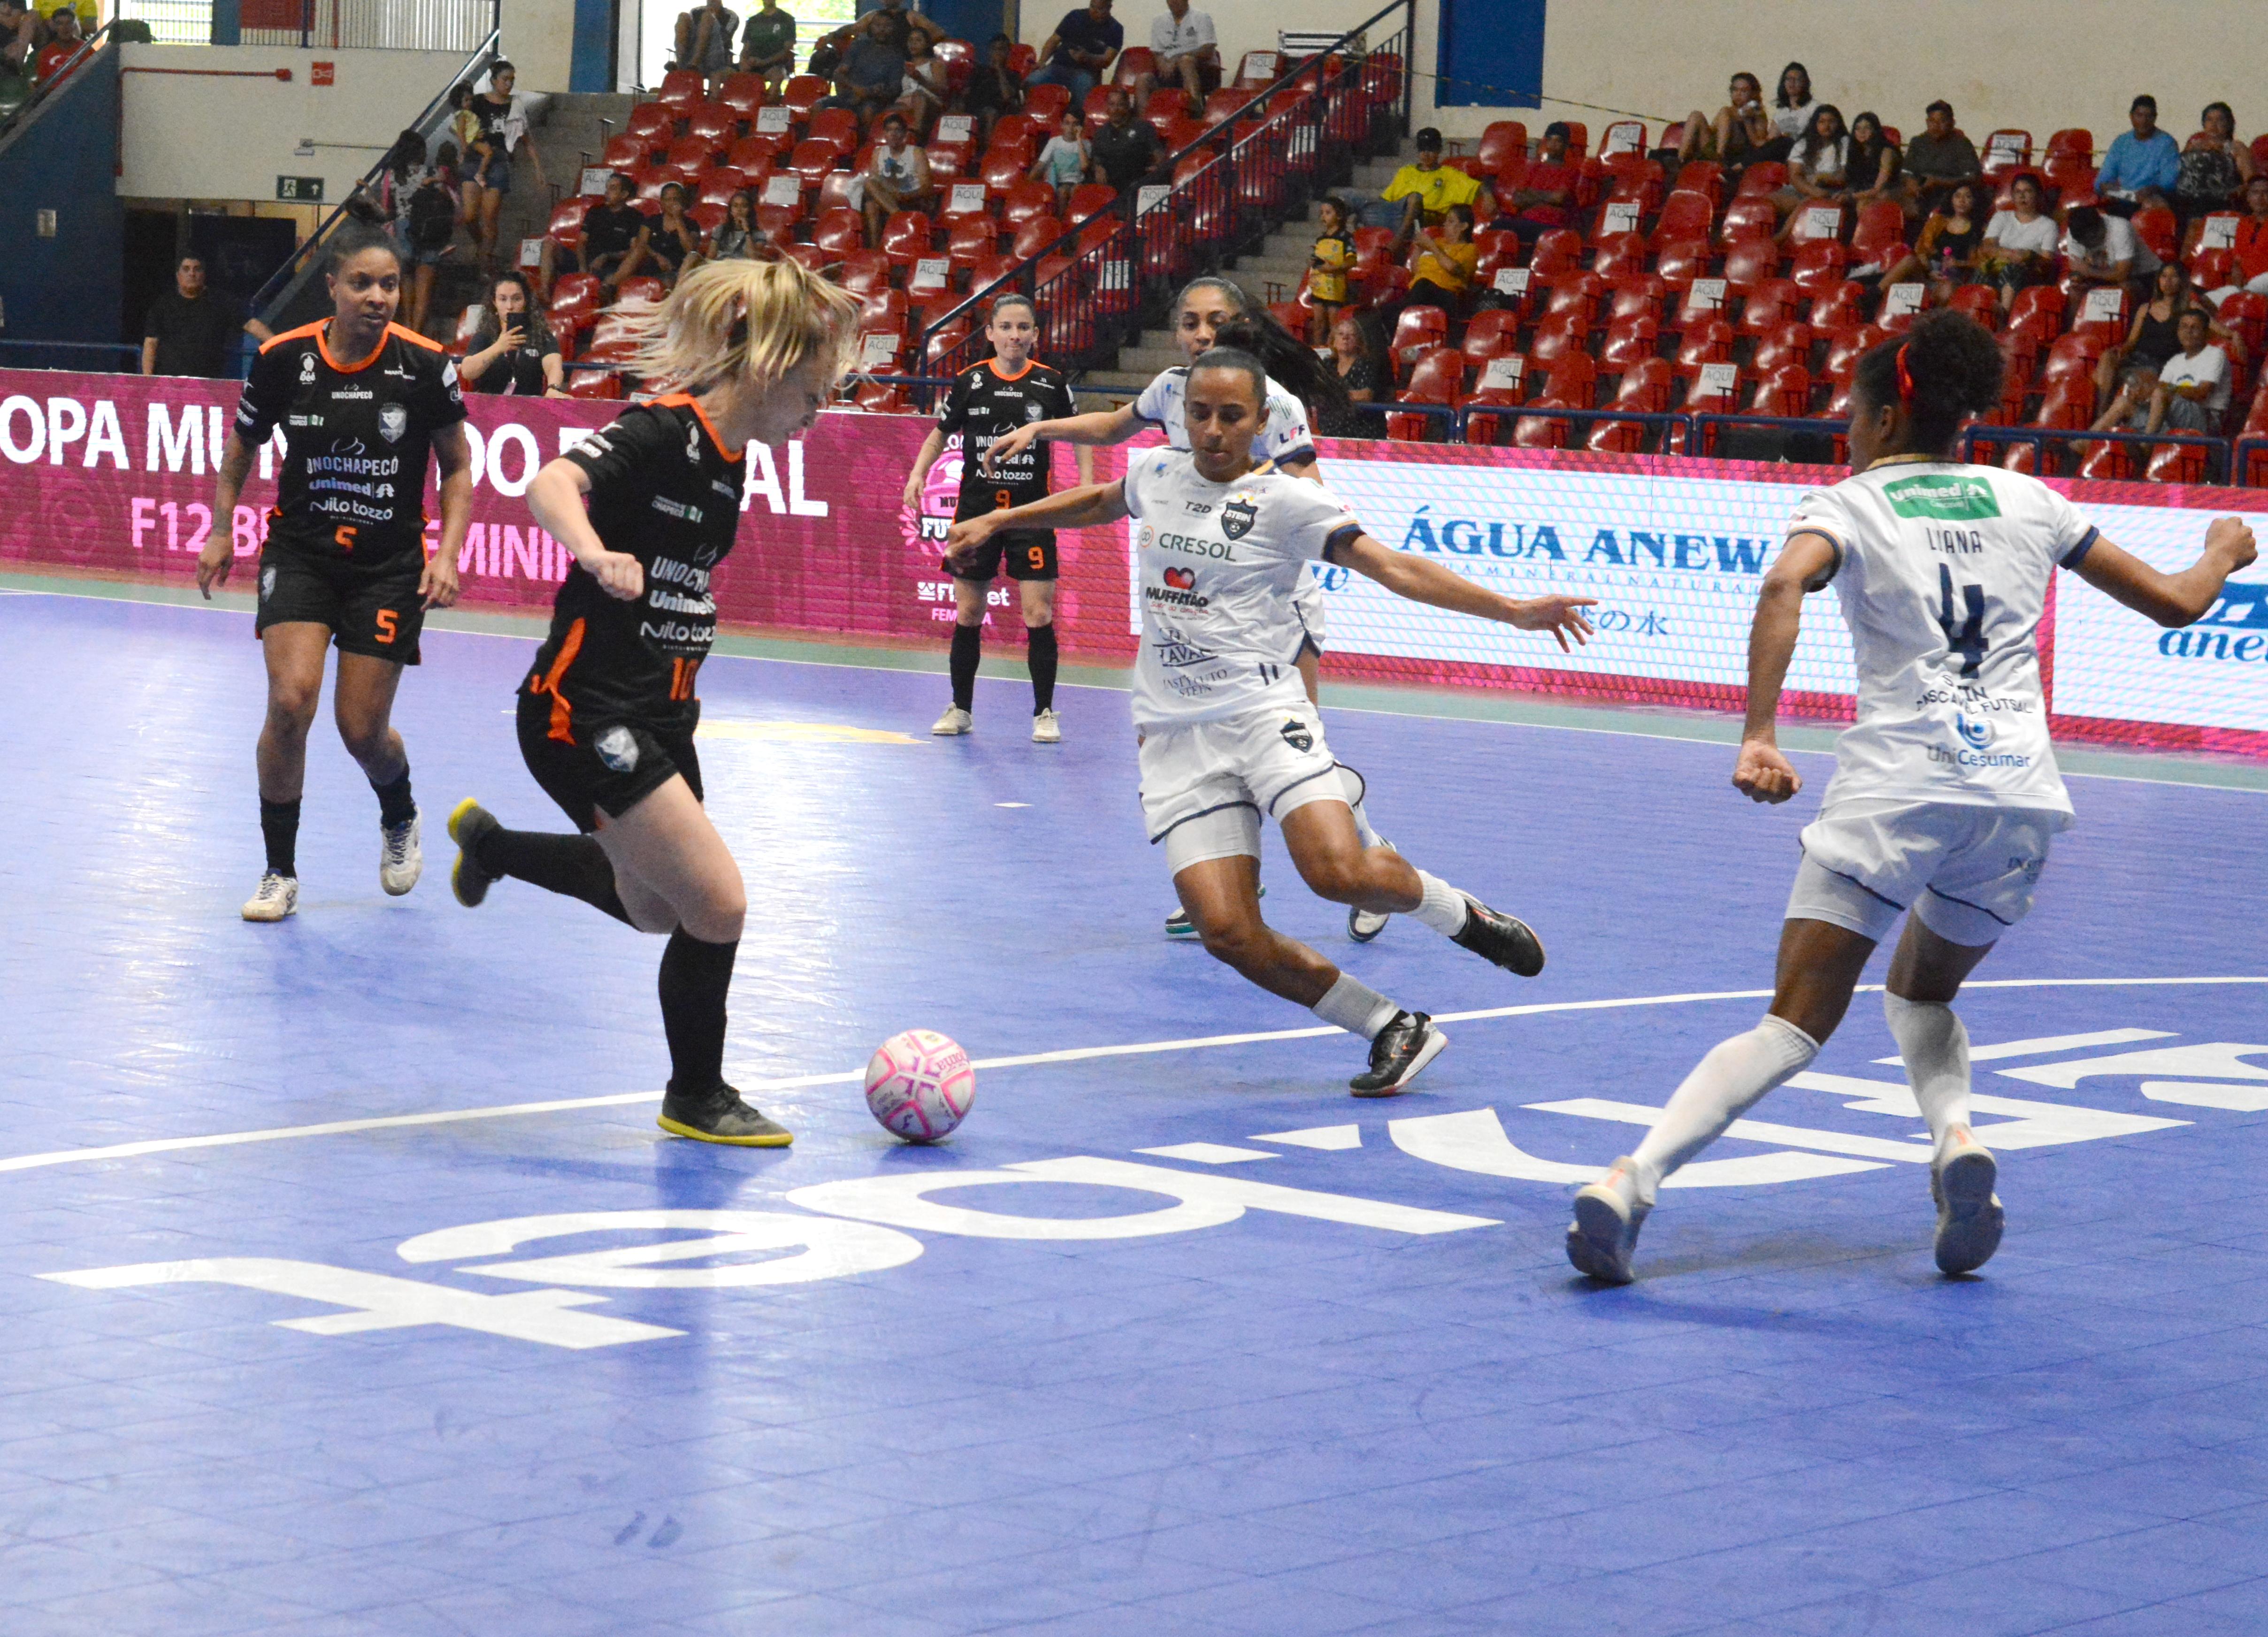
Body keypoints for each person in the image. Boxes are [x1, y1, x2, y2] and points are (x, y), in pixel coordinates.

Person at [1564, 310, 2258, 1287]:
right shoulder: (2030, 499)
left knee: (1793, 1021)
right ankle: (1955, 1137)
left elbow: (1780, 589)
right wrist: (2225, 548)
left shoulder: (1847, 505)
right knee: (1923, 991)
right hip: (2017, 796)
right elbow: (2179, 602)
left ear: (1888, 416)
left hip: (1899, 784)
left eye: (1853, 411)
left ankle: (1630, 1183)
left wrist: (1759, 732)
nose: (1847, 428)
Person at [953, 349, 1593, 1094]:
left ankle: (1461, 915)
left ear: (1262, 421)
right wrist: (1001, 520)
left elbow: (1391, 567)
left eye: (1232, 416)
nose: (1214, 431)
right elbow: (1098, 502)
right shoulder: (1157, 473)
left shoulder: (1288, 501)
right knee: (1226, 931)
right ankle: (1391, 1026)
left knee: (1337, 873)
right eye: (1200, 414)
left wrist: (1512, 610)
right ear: (1181, 414)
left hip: (1263, 714)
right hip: (1173, 733)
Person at [447, 258, 864, 1147]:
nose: (817, 411)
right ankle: (697, 1094)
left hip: (664, 711)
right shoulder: (661, 431)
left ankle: (492, 846)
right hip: (585, 708)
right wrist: (596, 554)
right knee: (718, 903)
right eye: (812, 389)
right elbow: (548, 483)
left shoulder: (731, 463)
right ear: (767, 367)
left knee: (655, 910)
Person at [981, 276, 1394, 942]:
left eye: (1216, 322)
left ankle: (1374, 859)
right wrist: (1041, 427)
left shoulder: (1274, 404)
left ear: (1239, 328)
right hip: (1183, 598)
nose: (1201, 334)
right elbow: (1114, 428)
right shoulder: (1173, 388)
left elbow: (1313, 493)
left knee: (1293, 755)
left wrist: (1238, 498)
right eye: (1191, 322)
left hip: (1266, 605)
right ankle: (1233, 877)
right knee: (1178, 744)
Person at [194, 231, 473, 923]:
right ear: (332, 286)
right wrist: (223, 527)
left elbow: (458, 467)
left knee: (361, 731)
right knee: (290, 704)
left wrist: (448, 553)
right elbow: (240, 454)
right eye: (361, 283)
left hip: (388, 566)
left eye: (389, 285)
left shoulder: (426, 365)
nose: (377, 297)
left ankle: (399, 812)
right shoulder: (283, 360)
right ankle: (279, 872)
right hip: (302, 554)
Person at [903, 297, 1083, 742]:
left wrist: (1086, 484)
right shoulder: (971, 380)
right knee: (969, 612)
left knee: (1039, 613)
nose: (1015, 336)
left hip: (1031, 513)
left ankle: (1044, 712)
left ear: (1036, 334)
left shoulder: (1051, 383)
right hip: (976, 515)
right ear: (990, 334)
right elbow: (938, 435)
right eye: (1006, 327)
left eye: (1024, 328)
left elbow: (1081, 434)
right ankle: (960, 708)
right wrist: (918, 473)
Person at [2092, 307, 2228, 436]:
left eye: (2195, 327)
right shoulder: (2175, 360)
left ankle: (2147, 446)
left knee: (2159, 392)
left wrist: (2160, 389)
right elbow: (2159, 392)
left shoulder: (2215, 354)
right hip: (2172, 421)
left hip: (2203, 421)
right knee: (2123, 402)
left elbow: (2201, 392)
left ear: (2206, 333)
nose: (2188, 331)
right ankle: (2080, 446)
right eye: (2184, 327)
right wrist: (2141, 395)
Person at [467, 61, 547, 275]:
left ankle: (485, 261)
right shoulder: (477, 102)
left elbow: (526, 138)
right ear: (494, 80)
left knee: (490, 216)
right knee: (469, 216)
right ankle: (483, 245)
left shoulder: (515, 105)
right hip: (475, 159)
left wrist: (538, 170)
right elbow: (462, 127)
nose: (509, 83)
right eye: (505, 79)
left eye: (512, 79)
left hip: (499, 162)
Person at [2094, 261, 2207, 411]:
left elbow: (2212, 324)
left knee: (2121, 377)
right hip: (2136, 358)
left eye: (2173, 277)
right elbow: (2132, 341)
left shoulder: (2190, 308)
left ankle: (2105, 416)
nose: (2167, 281)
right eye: (2164, 276)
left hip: (2158, 366)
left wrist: (2234, 334)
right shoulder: (2145, 308)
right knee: (2107, 357)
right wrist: (2121, 350)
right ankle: (2100, 412)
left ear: (2181, 281)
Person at [142, 253, 269, 379]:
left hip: (210, 386)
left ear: (204, 274)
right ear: (178, 275)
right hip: (169, 385)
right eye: (186, 269)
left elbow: (250, 324)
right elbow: (151, 343)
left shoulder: (221, 301)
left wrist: (277, 344)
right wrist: (147, 380)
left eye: (197, 269)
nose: (192, 274)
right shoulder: (163, 305)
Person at [538, 170, 643, 302]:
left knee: (613, 279)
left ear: (624, 194)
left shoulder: (635, 217)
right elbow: (582, 243)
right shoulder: (595, 211)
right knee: (549, 244)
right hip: (585, 262)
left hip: (612, 267)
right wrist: (582, 267)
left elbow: (634, 251)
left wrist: (607, 256)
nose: (607, 192)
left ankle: (604, 298)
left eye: (613, 189)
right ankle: (545, 294)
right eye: (607, 188)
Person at [459, 271, 566, 396]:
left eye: (517, 299)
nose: (510, 306)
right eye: (503, 299)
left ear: (526, 301)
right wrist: (498, 347)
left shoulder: (541, 335)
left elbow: (554, 364)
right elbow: (467, 372)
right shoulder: (485, 335)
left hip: (528, 407)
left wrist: (553, 388)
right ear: (494, 303)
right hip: (490, 407)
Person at [1881, 178, 1984, 302]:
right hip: (1929, 273)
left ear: (1975, 202)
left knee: (1948, 288)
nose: (1962, 201)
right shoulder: (1938, 221)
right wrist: (1930, 272)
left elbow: (1981, 263)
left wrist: (1958, 264)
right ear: (1952, 199)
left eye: (1968, 197)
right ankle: (1875, 294)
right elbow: (1921, 250)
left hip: (1954, 280)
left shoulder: (1979, 230)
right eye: (1958, 196)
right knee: (1909, 260)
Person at [1383, 126, 1483, 252]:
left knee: (1415, 199)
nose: (1426, 154)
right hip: (1398, 216)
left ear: (1439, 150)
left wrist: (1489, 194)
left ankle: (1398, 240)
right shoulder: (1405, 172)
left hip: (1425, 220)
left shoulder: (1448, 174)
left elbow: (1478, 187)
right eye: (1422, 149)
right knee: (1353, 197)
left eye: (1431, 149)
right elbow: (1388, 200)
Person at [1976, 172, 2057, 309]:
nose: (2022, 196)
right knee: (1984, 269)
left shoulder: (2048, 225)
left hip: (2028, 274)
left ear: (2038, 195)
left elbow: (2047, 262)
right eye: (2018, 192)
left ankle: (2004, 312)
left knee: (2014, 269)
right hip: (1998, 268)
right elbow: (1988, 248)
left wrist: (2028, 257)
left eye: (2028, 191)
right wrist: (2013, 255)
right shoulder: (2001, 217)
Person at [400, 156, 460, 335]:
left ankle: (406, 327)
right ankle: (416, 334)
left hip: (405, 232)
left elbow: (388, 206)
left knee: (406, 284)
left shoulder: (393, 175)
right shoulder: (435, 176)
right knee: (423, 291)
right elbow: (452, 208)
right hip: (431, 236)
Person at [1388, 201, 1478, 321]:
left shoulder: (1470, 249)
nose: (1445, 225)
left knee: (1423, 284)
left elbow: (1453, 268)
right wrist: (1419, 248)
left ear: (1463, 227)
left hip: (1446, 295)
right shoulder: (1438, 242)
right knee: (1386, 309)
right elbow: (1416, 270)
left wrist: (1432, 247)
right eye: (1446, 221)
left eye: (1451, 221)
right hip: (1418, 293)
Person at [855, 113, 934, 245]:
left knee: (871, 197)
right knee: (871, 203)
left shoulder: (916, 153)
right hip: (890, 197)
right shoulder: (878, 153)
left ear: (904, 134)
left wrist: (906, 196)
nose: (893, 134)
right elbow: (874, 184)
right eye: (889, 130)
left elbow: (927, 187)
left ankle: (877, 248)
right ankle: (896, 217)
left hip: (911, 197)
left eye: (897, 130)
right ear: (885, 134)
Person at [1491, 121, 1571, 247]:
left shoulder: (1570, 171)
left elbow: (1559, 198)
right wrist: (1546, 198)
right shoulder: (1535, 168)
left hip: (1551, 226)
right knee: (1496, 226)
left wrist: (1532, 195)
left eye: (1559, 141)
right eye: (1550, 140)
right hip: (1527, 221)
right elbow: (1517, 199)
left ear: (1566, 145)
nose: (1553, 144)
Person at [2176, 101, 2256, 226]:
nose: (2214, 125)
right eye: (2209, 120)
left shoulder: (2237, 148)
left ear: (2229, 123)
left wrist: (2237, 192)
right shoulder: (2194, 145)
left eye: (2220, 120)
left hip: (2219, 199)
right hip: (2185, 198)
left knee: (2200, 206)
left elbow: (2251, 182)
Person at [1028, 0, 1121, 107]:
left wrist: (1088, 58)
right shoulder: (1075, 16)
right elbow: (1054, 40)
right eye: (1092, 7)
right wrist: (1042, 61)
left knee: (1084, 86)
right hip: (1057, 67)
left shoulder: (1115, 29)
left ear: (1109, 8)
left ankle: (1077, 118)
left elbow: (1107, 60)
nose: (1095, 12)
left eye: (1100, 9)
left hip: (1086, 72)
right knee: (1032, 81)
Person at [1899, 99, 1982, 219]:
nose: (1936, 126)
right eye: (1932, 121)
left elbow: (1973, 177)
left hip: (1949, 193)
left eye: (1942, 121)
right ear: (1927, 122)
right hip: (1921, 192)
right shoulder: (1918, 142)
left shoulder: (1962, 144)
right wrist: (1910, 181)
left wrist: (1940, 182)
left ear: (1952, 123)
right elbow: (1906, 171)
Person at [822, 9, 905, 129]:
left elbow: (894, 90)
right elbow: (838, 74)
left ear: (894, 29)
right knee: (818, 106)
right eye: (878, 25)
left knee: (868, 111)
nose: (882, 30)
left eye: (887, 26)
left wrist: (869, 93)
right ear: (871, 27)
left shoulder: (897, 55)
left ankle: (863, 145)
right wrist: (855, 88)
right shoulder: (858, 46)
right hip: (849, 96)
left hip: (874, 101)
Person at [1773, 104, 1852, 229]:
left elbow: (1844, 176)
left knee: (1813, 204)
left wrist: (1822, 178)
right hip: (1804, 189)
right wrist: (1813, 191)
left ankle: (1783, 237)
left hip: (1833, 190)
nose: (1827, 126)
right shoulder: (1803, 144)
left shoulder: (1845, 142)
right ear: (1815, 124)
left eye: (1831, 122)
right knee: (1769, 202)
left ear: (1838, 124)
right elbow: (1795, 176)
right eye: (1822, 122)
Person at [2097, 94, 2179, 212]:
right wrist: (2106, 187)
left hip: (2150, 201)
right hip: (2122, 199)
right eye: (2139, 115)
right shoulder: (2121, 142)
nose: (2144, 121)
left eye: (2149, 116)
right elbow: (2104, 177)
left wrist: (2151, 190)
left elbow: (2169, 182)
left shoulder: (2167, 143)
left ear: (2155, 118)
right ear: (2131, 117)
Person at [2061, 204, 2158, 299]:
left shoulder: (2120, 228)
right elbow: (2076, 267)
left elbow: (2123, 275)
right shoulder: (2076, 234)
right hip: (2104, 275)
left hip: (2144, 275)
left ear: (2101, 227)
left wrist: (2089, 272)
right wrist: (2078, 279)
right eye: (2082, 243)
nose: (2086, 246)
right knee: (2075, 290)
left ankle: (2137, 315)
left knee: (2125, 287)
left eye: (2089, 241)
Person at [2202, 173, 2268, 308]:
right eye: (2255, 193)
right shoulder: (2243, 224)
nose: (2260, 198)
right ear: (2249, 198)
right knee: (2204, 302)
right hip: (2246, 285)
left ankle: (2240, 296)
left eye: (2266, 193)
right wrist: (2237, 270)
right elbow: (2237, 260)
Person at [623, 181, 705, 288]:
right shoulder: (652, 221)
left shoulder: (691, 225)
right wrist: (657, 257)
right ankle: (611, 287)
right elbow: (641, 245)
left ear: (683, 202)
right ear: (662, 202)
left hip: (676, 270)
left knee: (668, 282)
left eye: (675, 199)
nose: (672, 203)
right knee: (636, 253)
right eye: (668, 200)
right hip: (650, 265)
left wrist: (678, 219)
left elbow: (690, 250)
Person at [1313, 313, 1382, 436]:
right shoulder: (1328, 364)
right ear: (1333, 341)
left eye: (1351, 335)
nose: (1345, 338)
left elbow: (1365, 395)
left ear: (1358, 342)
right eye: (1341, 334)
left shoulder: (1366, 364)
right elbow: (1318, 392)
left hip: (1361, 430)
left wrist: (1334, 395)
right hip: (1330, 429)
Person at [1676, 71, 1763, 166]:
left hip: (1734, 154)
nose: (1738, 94)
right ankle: (1680, 159)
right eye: (1735, 90)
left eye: (1744, 91)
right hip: (1712, 148)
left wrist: (1747, 121)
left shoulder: (1759, 115)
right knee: (1696, 115)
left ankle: (1719, 156)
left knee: (1725, 111)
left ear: (1753, 94)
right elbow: (1714, 130)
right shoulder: (1728, 111)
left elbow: (1758, 145)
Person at [1090, 84, 1163, 192]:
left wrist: (1157, 168)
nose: (1116, 109)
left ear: (1128, 106)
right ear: (1107, 108)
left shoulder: (1143, 128)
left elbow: (1158, 155)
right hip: (1109, 186)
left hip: (1136, 183)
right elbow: (1096, 158)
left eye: (1121, 105)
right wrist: (1098, 168)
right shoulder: (1101, 133)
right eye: (1112, 105)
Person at [1145, 0, 1216, 102]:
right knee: (1143, 80)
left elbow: (1208, 49)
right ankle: (1143, 117)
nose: (1174, 2)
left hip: (1197, 70)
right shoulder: (1159, 21)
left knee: (1185, 62)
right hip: (1169, 71)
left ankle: (1195, 109)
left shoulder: (1202, 18)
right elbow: (1157, 52)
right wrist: (1162, 66)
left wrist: (1177, 59)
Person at [1306, 195, 1355, 344]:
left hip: (1335, 288)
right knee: (1318, 324)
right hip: (1319, 285)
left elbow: (1352, 261)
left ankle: (1333, 353)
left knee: (1334, 324)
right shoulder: (1321, 240)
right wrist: (1313, 262)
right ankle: (1318, 353)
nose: (1323, 217)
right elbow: (1317, 260)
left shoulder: (1346, 238)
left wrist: (1333, 268)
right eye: (1322, 213)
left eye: (1328, 213)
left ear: (1339, 216)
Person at [1718, 101, 1792, 197]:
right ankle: (1738, 169)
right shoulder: (1783, 113)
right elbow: (1762, 143)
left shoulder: (1812, 109)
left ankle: (1738, 168)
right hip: (1780, 151)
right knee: (1777, 143)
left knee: (1787, 142)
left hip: (1799, 150)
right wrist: (1747, 120)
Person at [964, 33, 1024, 141]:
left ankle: (988, 151)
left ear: (1008, 52)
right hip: (977, 109)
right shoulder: (979, 71)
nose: (997, 53)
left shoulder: (1013, 75)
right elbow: (967, 93)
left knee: (991, 114)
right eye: (994, 50)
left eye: (1001, 50)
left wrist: (1000, 70)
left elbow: (1007, 97)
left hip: (1000, 111)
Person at [1030, 107, 1090, 211]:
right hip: (1059, 182)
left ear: (1081, 127)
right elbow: (1041, 165)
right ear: (1062, 125)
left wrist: (1079, 140)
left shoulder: (1086, 144)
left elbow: (1085, 167)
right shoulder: (1054, 142)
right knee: (1063, 192)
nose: (1071, 128)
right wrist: (1028, 184)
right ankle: (1062, 219)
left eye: (1075, 124)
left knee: (1077, 191)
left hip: (1078, 182)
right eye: (1067, 123)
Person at [672, 0, 739, 87]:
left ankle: (694, 64)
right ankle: (680, 63)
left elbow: (725, 39)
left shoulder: (731, 15)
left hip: (716, 54)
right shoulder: (695, 11)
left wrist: (712, 19)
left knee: (707, 17)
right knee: (683, 16)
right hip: (693, 50)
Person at [736, 0, 797, 89]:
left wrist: (765, 62)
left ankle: (769, 100)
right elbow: (746, 48)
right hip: (753, 62)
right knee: (724, 74)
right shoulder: (753, 21)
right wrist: (744, 61)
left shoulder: (787, 20)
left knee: (777, 76)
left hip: (775, 64)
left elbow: (787, 50)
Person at [1770, 61, 1816, 142]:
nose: (1792, 83)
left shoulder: (1814, 107)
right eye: (1789, 79)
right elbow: (1771, 138)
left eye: (1797, 79)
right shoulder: (1781, 112)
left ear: (1805, 83)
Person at [711, 188, 761, 260]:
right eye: (735, 206)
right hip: (721, 266)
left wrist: (747, 232)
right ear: (731, 211)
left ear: (750, 210)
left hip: (741, 268)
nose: (739, 210)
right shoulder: (720, 230)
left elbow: (754, 259)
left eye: (744, 206)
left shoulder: (758, 234)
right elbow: (710, 258)